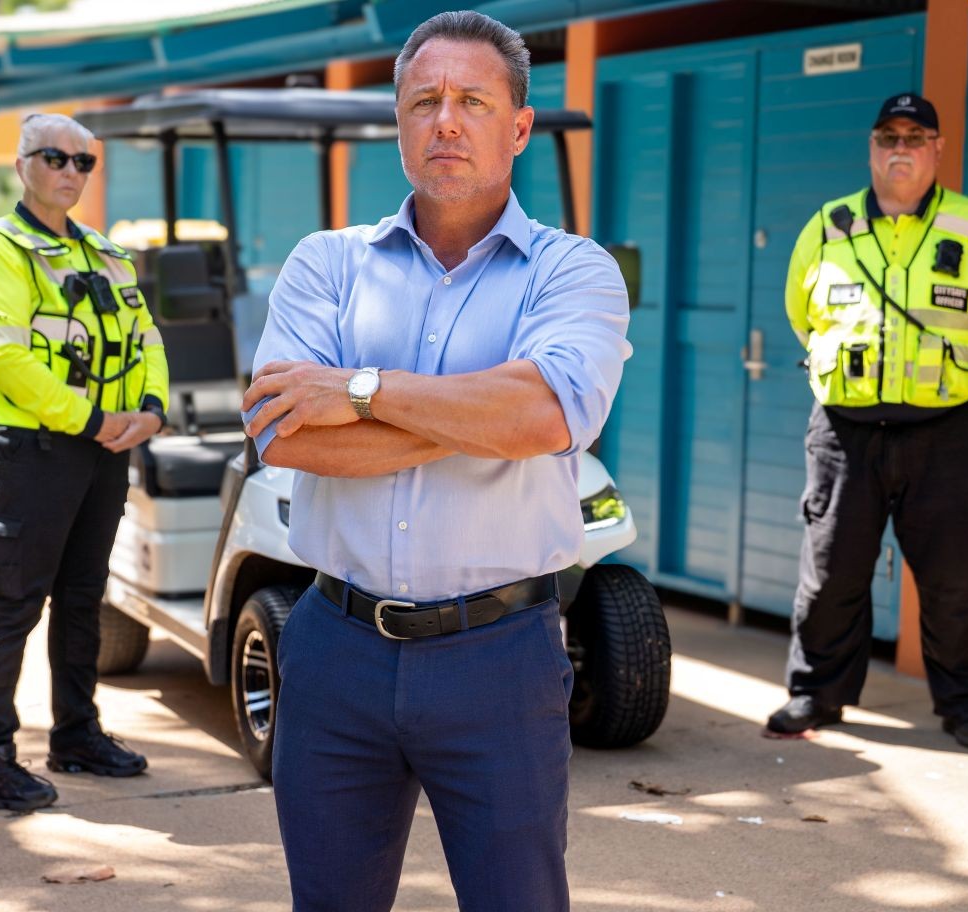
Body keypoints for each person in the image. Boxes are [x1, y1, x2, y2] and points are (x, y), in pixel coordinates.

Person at [240, 11, 630, 910]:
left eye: (472, 101)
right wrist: (478, 409)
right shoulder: (326, 264)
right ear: (400, 121)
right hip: (335, 649)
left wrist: (362, 391)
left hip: (498, 659)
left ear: (521, 127)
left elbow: (544, 414)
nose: (446, 120)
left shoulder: (573, 273)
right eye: (425, 100)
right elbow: (287, 436)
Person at [768, 93, 968, 750]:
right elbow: (802, 315)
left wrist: (962, 382)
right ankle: (815, 695)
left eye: (916, 138)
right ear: (872, 146)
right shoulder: (829, 227)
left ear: (937, 149)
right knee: (831, 571)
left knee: (957, 577)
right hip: (843, 431)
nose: (901, 149)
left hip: (943, 431)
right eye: (889, 136)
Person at [0, 113, 169, 810]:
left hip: (103, 449)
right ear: (23, 165)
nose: (72, 172)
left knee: (82, 600)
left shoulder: (106, 254)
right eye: (57, 157)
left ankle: (76, 734)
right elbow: (3, 355)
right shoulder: (0, 250)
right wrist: (92, 418)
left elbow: (147, 337)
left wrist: (151, 410)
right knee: (12, 605)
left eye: (85, 162)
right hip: (34, 449)